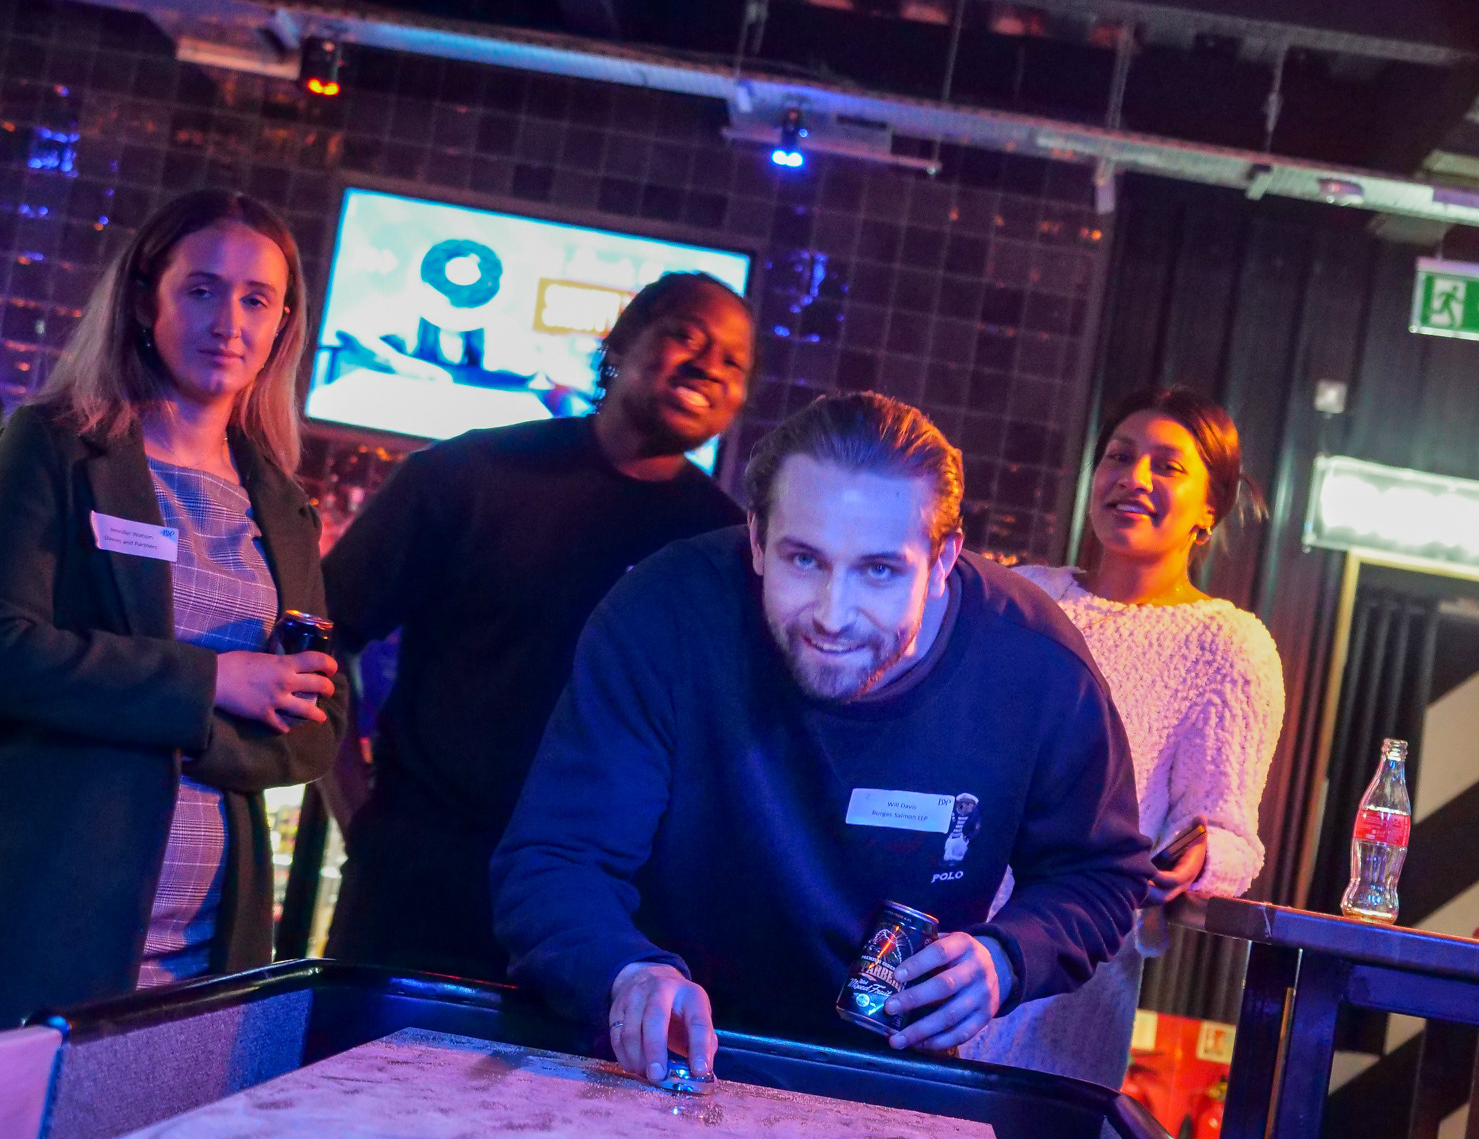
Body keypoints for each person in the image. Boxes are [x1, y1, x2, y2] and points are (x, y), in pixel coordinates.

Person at [491, 391, 1153, 1085]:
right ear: (756, 539)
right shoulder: (664, 614)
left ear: (943, 558)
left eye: (879, 570)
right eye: (804, 560)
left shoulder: (1036, 664)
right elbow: (556, 858)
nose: (834, 616)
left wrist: (1009, 958)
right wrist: (623, 971)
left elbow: (1099, 873)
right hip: (659, 1061)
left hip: (883, 1079)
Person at [321, 271, 755, 981]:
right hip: (418, 885)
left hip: (604, 919)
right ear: (619, 344)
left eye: (734, 362)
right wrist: (358, 815)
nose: (710, 366)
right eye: (686, 336)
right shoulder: (468, 472)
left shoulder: (726, 550)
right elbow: (324, 632)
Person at [0, 190, 344, 1025]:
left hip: (210, 948)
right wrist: (211, 683)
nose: (228, 322)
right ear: (144, 299)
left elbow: (317, 725)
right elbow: (8, 649)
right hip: (48, 916)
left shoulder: (283, 505)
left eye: (256, 300)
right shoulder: (54, 446)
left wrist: (191, 724)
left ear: (282, 326)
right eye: (201, 290)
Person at [960, 386, 1285, 1086]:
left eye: (1167, 466)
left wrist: (1197, 856)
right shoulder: (1020, 596)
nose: (1133, 478)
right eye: (1118, 456)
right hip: (940, 932)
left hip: (1067, 970)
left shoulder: (1228, 645)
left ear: (1209, 508)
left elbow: (1230, 835)